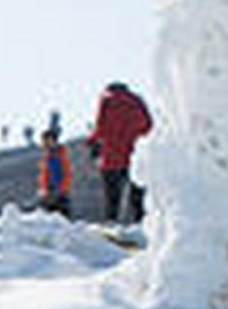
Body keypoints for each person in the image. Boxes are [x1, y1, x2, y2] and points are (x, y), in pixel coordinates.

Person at [88, 81, 154, 222]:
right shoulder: (137, 101)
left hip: (112, 155)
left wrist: (93, 143)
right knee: (136, 192)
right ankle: (141, 222)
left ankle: (111, 221)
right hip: (134, 154)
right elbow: (148, 126)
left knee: (112, 193)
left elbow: (101, 126)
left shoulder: (107, 100)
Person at [37, 127, 72, 217]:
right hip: (50, 192)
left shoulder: (59, 155)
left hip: (57, 193)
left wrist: (61, 190)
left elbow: (65, 173)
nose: (44, 144)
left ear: (53, 140)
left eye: (46, 141)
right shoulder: (49, 155)